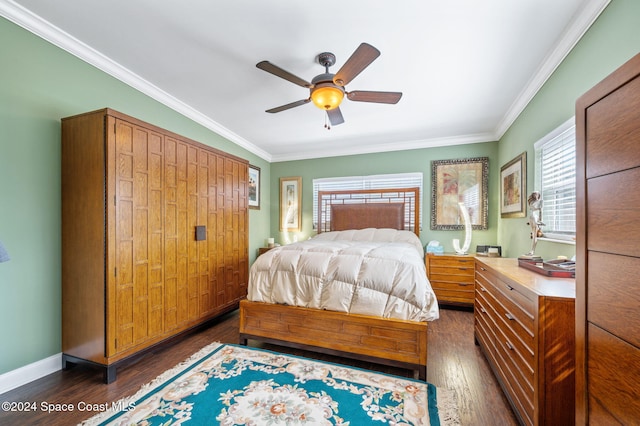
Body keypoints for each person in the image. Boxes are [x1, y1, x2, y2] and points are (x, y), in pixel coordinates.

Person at [526, 191, 545, 256]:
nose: (535, 195)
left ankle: (532, 250)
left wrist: (539, 220)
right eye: (534, 194)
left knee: (534, 235)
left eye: (536, 194)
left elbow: (540, 211)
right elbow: (538, 210)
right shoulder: (533, 202)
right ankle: (532, 251)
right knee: (534, 235)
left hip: (533, 218)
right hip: (532, 218)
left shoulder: (538, 202)